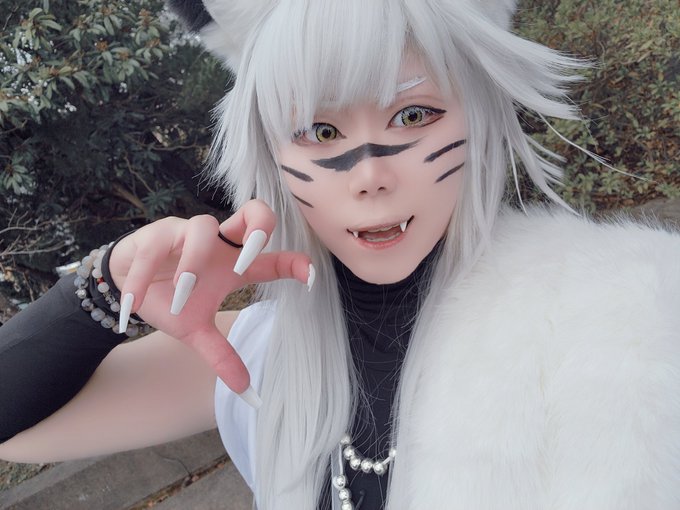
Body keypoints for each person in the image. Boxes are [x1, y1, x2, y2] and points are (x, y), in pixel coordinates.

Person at [1, 1, 679, 509]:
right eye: (319, 130)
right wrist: (105, 285)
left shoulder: (623, 320)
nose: (369, 174)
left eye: (413, 115)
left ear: (480, 115)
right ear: (269, 154)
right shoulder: (262, 355)